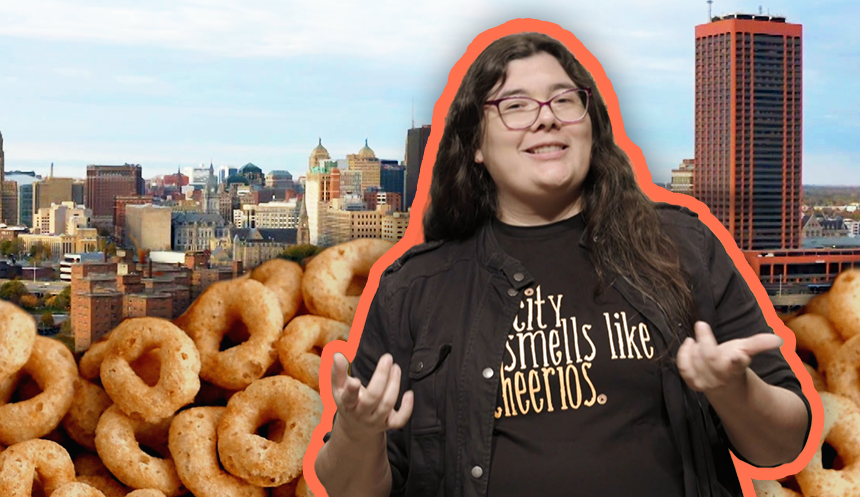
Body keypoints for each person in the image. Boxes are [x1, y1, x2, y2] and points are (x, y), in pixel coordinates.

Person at [312, 31, 812, 497]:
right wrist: (358, 431)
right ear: (477, 146)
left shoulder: (683, 247)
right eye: (515, 106)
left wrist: (734, 389)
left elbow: (782, 446)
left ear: (591, 125)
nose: (546, 117)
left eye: (564, 100)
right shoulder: (413, 290)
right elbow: (350, 489)